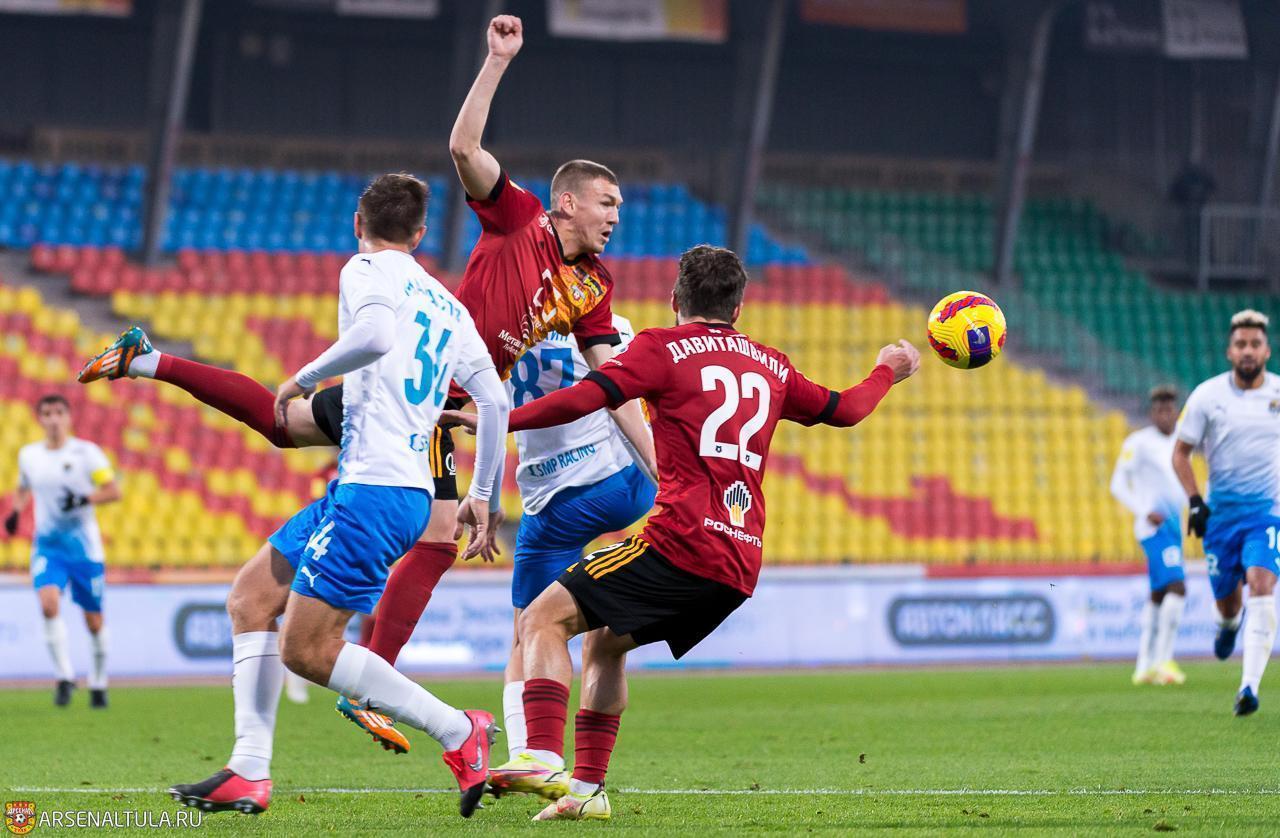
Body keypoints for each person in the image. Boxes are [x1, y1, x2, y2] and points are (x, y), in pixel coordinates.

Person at [77, 13, 656, 748]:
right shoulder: (522, 220)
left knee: (286, 427)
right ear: (569, 201)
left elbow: (613, 383)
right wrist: (496, 60)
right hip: (428, 395)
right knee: (439, 535)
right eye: (607, 203)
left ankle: (148, 360)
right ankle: (374, 682)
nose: (616, 217)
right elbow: (463, 147)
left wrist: (656, 465)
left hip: (427, 390)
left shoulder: (594, 286)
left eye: (619, 207)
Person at [464, 245, 919, 820]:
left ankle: (541, 756)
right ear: (739, 307)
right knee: (604, 643)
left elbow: (586, 398)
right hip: (739, 562)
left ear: (675, 298)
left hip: (680, 544)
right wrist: (888, 369)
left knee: (539, 619)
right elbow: (847, 409)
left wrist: (500, 419)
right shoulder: (771, 365)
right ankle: (586, 793)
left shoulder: (662, 348)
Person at [166, 173, 509, 818]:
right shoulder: (448, 305)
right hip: (386, 488)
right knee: (250, 599)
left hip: (374, 491)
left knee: (306, 650)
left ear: (358, 223)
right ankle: (247, 770)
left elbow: (375, 336)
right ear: (420, 234)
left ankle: (459, 729)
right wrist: (484, 494)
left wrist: (302, 378)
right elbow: (495, 401)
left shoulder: (365, 268)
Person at [497, 315, 656, 760]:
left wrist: (485, 495)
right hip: (624, 485)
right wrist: (662, 473)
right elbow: (629, 400)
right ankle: (583, 768)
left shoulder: (500, 331)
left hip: (553, 502)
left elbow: (490, 412)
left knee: (527, 634)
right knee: (603, 640)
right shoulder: (612, 327)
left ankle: (526, 755)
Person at [1173, 309, 1280, 716]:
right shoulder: (1207, 396)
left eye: (1255, 344)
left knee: (1262, 584)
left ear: (1266, 351)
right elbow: (1180, 453)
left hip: (1266, 513)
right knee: (1229, 605)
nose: (1248, 350)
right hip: (1221, 518)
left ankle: (1248, 687)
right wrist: (1195, 501)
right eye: (1241, 344)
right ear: (1229, 352)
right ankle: (1228, 626)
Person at [4, 394, 121, 708]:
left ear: (68, 417)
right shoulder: (29, 455)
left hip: (85, 550)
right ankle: (64, 677)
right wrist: (16, 511)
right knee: (48, 604)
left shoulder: (87, 453)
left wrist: (84, 499)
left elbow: (113, 491)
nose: (53, 419)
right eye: (47, 413)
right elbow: (23, 486)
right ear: (39, 419)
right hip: (48, 546)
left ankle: (98, 682)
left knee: (93, 620)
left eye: (58, 412)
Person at [1110, 386, 1187, 686]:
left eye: (1169, 409)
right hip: (1154, 527)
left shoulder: (1183, 441)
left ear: (1176, 412)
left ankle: (1143, 666)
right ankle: (1164, 661)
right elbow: (1117, 484)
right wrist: (1144, 510)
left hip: (1174, 525)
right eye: (1159, 410)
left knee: (1158, 595)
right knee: (1178, 587)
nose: (1165, 415)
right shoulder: (1139, 443)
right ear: (1151, 413)